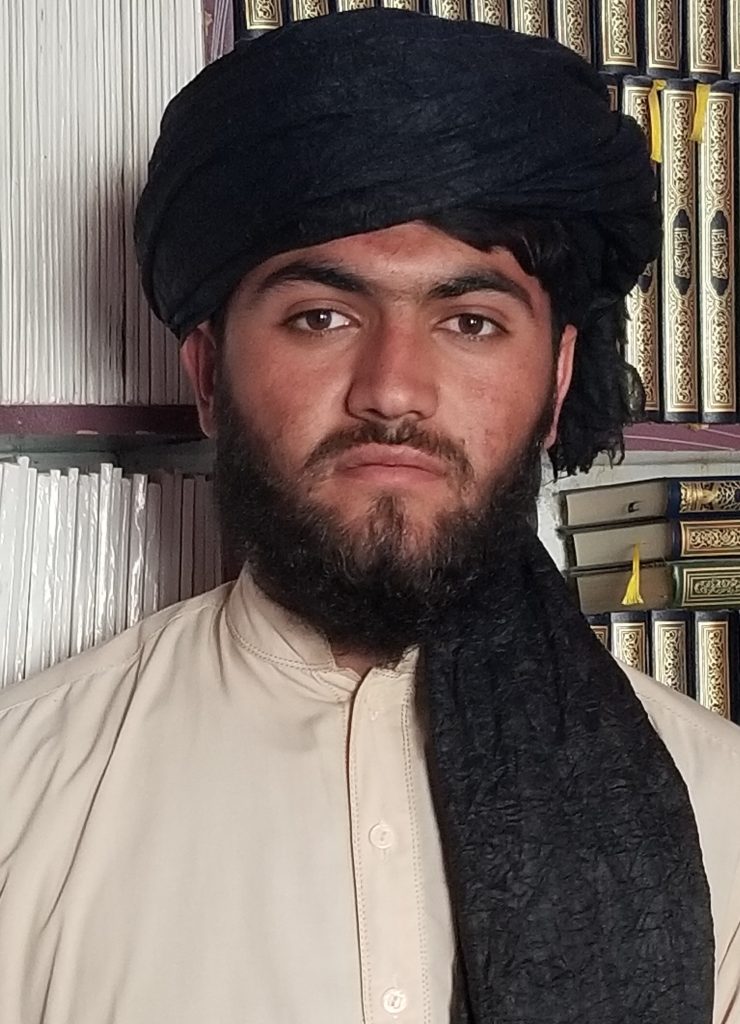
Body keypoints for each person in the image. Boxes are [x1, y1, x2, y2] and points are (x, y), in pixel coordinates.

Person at [1, 9, 738, 1024]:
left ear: (558, 380)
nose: (392, 389)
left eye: (469, 322)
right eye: (322, 317)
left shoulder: (720, 815)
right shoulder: (23, 792)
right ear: (209, 375)